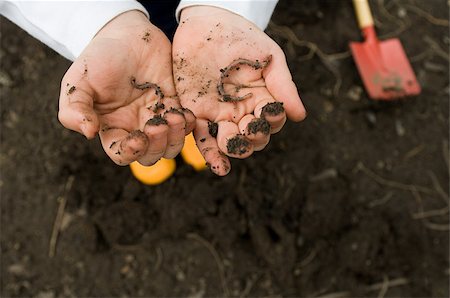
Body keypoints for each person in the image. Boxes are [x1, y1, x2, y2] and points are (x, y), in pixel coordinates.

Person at [1, 0, 306, 181]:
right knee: (144, 65)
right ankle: (172, 130)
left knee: (191, 64)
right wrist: (103, 22)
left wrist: (221, 6)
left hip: (208, 22)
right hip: (112, 22)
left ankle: (194, 122)